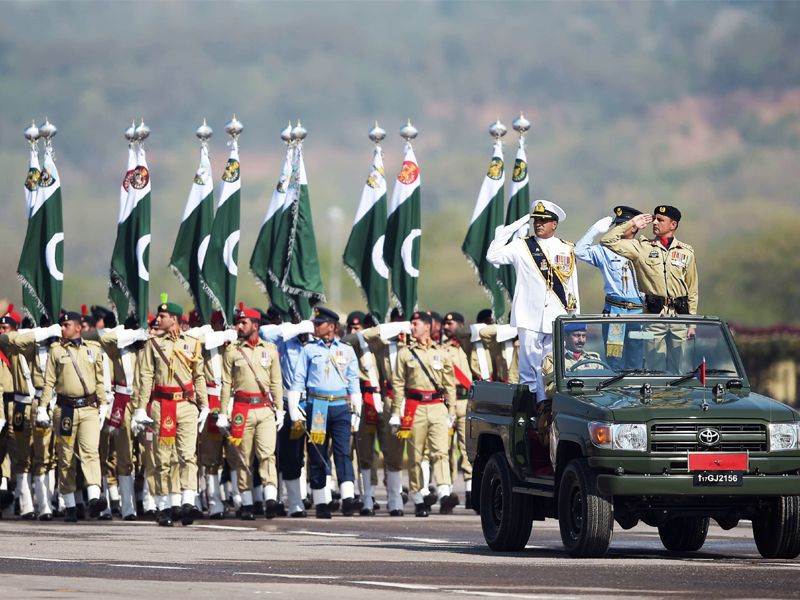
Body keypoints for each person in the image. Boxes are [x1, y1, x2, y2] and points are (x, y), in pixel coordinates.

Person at [486, 200, 580, 403]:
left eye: (544, 220)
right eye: (536, 220)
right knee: (528, 370)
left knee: (551, 369)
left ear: (554, 224)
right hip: (529, 317)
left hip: (556, 316)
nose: (539, 224)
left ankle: (545, 409)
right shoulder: (522, 245)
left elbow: (572, 286)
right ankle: (529, 413)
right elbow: (492, 255)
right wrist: (511, 228)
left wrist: (574, 319)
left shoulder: (566, 248)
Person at [131, 299, 208, 527]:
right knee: (163, 459)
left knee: (187, 455)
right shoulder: (154, 344)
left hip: (185, 404)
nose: (157, 320)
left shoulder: (193, 343)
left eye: (162, 317)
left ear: (174, 319)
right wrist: (140, 408)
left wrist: (204, 405)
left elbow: (199, 376)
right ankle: (163, 506)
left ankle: (187, 502)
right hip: (163, 406)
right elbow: (146, 378)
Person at [601, 205, 698, 373]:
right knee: (655, 369)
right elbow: (607, 241)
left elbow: (692, 289)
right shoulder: (642, 248)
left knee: (677, 370)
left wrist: (692, 323)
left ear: (673, 225)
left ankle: (675, 399)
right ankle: (658, 398)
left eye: (660, 220)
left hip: (679, 316)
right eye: (654, 219)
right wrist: (631, 223)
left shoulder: (686, 252)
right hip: (654, 317)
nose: (655, 223)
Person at [287, 307, 362, 519]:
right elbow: (298, 379)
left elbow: (354, 383)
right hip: (317, 406)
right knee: (318, 453)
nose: (315, 327)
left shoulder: (347, 350)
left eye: (319, 323)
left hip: (340, 406)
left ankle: (348, 498)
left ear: (332, 327)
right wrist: (295, 408)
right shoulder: (309, 349)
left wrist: (357, 410)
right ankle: (321, 501)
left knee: (343, 452)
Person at [37, 311, 107, 522]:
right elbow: (49, 381)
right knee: (65, 458)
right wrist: (42, 407)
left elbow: (100, 380)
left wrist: (103, 404)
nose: (62, 328)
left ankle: (94, 499)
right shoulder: (56, 351)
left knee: (90, 452)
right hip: (64, 409)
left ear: (78, 327)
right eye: (61, 325)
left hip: (88, 408)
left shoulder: (93, 349)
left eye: (66, 324)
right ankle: (70, 506)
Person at [389, 311, 458, 517]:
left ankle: (445, 492)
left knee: (441, 451)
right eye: (411, 324)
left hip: (437, 406)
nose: (412, 327)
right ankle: (418, 497)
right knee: (416, 455)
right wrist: (395, 412)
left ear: (427, 327)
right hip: (414, 407)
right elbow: (398, 385)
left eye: (415, 324)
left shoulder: (442, 352)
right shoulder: (405, 353)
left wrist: (451, 411)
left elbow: (449, 385)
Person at [82, 315, 149, 520]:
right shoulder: (117, 346)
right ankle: (127, 508)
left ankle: (150, 502)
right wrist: (127, 334)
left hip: (144, 403)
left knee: (148, 454)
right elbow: (95, 336)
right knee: (120, 455)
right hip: (119, 403)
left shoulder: (149, 348)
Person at [219, 307, 283, 520]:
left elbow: (276, 382)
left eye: (243, 323)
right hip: (241, 409)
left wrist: (280, 410)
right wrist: (222, 412)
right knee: (243, 458)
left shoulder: (271, 349)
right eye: (238, 323)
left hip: (264, 409)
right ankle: (246, 502)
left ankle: (271, 499)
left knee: (267, 454)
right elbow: (227, 384)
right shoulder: (232, 351)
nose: (239, 327)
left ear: (255, 325)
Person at [0, 307, 61, 520]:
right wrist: (39, 334)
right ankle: (26, 504)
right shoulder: (19, 345)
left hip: (42, 404)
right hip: (20, 407)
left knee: (44, 455)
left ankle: (45, 504)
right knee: (21, 455)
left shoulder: (53, 348)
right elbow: (10, 339)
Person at [575, 206, 644, 370]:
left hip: (639, 314)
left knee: (637, 360)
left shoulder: (644, 248)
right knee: (615, 361)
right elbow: (579, 251)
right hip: (615, 313)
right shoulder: (605, 250)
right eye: (617, 225)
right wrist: (594, 230)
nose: (617, 228)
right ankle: (618, 395)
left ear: (633, 227)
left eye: (623, 225)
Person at [259, 316, 315, 517]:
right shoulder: (284, 341)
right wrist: (294, 328)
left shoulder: (317, 343)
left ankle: (322, 501)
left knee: (317, 452)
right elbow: (264, 334)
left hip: (315, 402)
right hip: (291, 401)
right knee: (291, 453)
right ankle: (295, 503)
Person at [539, 323, 601, 450]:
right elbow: (550, 391)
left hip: (592, 407)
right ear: (566, 337)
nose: (581, 340)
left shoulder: (594, 358)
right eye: (576, 336)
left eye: (584, 336)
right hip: (566, 409)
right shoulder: (554, 359)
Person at [441, 312, 474, 509]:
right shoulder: (440, 348)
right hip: (448, 404)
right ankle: (447, 493)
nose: (446, 326)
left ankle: (470, 492)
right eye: (444, 323)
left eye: (450, 323)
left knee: (467, 448)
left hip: (467, 402)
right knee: (445, 449)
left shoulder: (469, 344)